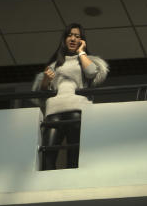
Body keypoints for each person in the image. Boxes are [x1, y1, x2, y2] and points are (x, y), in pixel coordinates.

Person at [32, 23, 108, 170]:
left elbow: (92, 72)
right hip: (54, 109)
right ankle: (49, 183)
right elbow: (43, 91)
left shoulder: (84, 59)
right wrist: (46, 81)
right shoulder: (55, 64)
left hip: (76, 108)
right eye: (70, 35)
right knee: (49, 151)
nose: (73, 39)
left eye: (77, 36)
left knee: (74, 153)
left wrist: (81, 51)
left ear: (82, 41)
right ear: (64, 39)